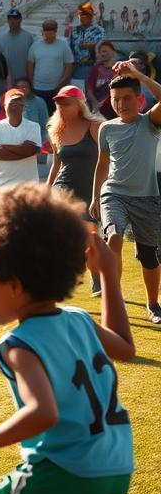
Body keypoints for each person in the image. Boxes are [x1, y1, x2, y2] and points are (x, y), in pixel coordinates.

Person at [0, 186, 134, 494]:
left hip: (67, 472)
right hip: (116, 469)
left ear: (15, 286)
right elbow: (125, 346)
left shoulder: (19, 346)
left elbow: (43, 412)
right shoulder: (78, 320)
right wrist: (109, 275)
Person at [90, 61, 161, 323]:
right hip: (114, 194)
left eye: (127, 98)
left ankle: (153, 304)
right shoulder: (106, 128)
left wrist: (136, 74)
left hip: (147, 198)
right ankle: (113, 298)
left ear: (140, 99)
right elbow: (102, 165)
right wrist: (95, 197)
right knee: (114, 236)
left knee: (148, 257)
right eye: (115, 100)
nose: (120, 104)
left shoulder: (150, 122)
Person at [47, 85, 105, 292]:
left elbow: (108, 159)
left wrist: (103, 190)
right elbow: (56, 164)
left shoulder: (95, 126)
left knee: (91, 239)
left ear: (79, 105)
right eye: (59, 104)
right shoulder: (56, 130)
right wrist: (46, 190)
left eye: (67, 103)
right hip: (64, 188)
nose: (62, 107)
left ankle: (96, 277)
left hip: (91, 189)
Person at [0, 89, 43, 195]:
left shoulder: (34, 126)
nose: (16, 103)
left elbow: (31, 151)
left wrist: (6, 147)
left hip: (29, 189)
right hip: (2, 189)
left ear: (23, 106)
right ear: (4, 105)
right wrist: (22, 149)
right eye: (12, 101)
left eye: (19, 101)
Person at [29, 19, 74, 112]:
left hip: (56, 89)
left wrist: (60, 83)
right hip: (38, 89)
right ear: (43, 32)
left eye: (50, 32)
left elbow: (69, 66)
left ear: (55, 32)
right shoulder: (35, 46)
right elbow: (30, 66)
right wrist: (32, 83)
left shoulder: (63, 45)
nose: (48, 35)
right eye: (46, 32)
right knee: (40, 113)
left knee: (56, 115)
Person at [68, 2, 105, 89]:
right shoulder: (74, 30)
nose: (82, 17)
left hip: (93, 68)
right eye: (80, 15)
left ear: (90, 17)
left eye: (85, 15)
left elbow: (102, 48)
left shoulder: (99, 30)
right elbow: (70, 48)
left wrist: (93, 46)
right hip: (76, 69)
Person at [88, 41, 121, 119]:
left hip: (116, 110)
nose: (102, 54)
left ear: (113, 52)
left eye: (105, 51)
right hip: (100, 110)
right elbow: (89, 90)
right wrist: (95, 103)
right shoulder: (96, 70)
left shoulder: (120, 69)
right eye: (100, 52)